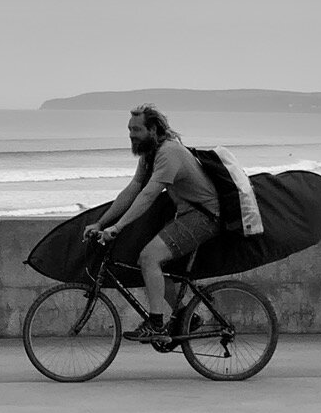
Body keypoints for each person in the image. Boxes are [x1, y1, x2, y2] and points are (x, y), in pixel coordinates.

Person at [83, 104, 221, 343]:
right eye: (129, 129)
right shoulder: (150, 153)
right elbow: (132, 190)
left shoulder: (169, 152)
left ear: (153, 129)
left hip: (204, 217)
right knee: (152, 262)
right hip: (187, 215)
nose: (131, 135)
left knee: (149, 258)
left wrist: (117, 228)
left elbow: (148, 195)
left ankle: (156, 324)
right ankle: (187, 315)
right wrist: (101, 222)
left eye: (136, 129)